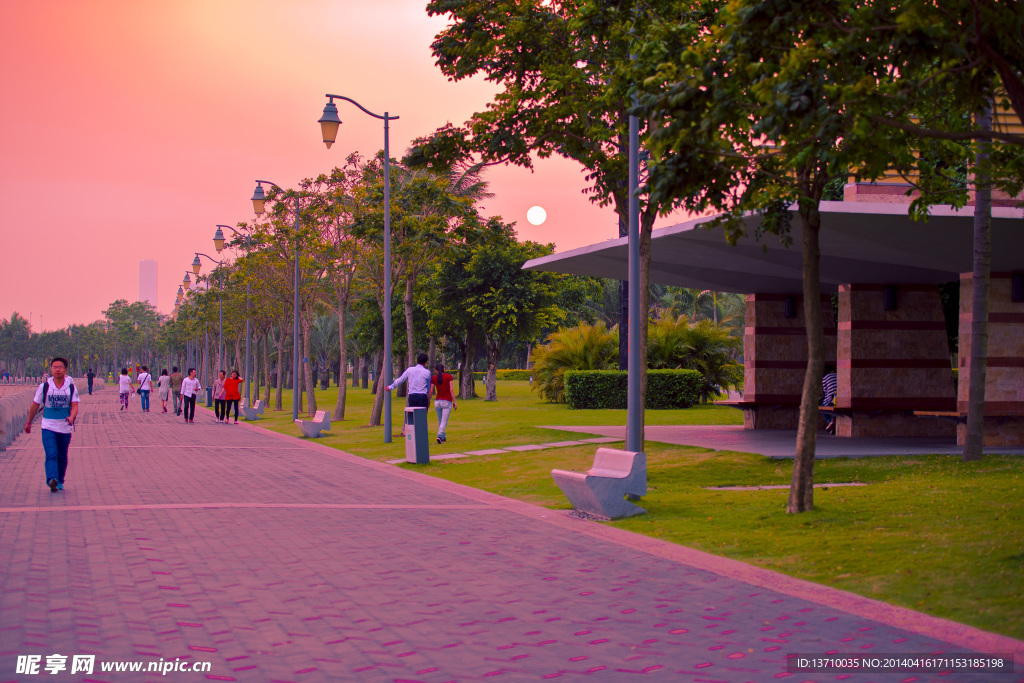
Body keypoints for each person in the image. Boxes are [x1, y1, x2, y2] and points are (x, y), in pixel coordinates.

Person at [24, 358, 79, 492]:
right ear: (51, 370)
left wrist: (71, 417)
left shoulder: (70, 387)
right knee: (51, 453)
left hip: (65, 427)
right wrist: (29, 422)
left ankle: (60, 480)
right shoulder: (45, 387)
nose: (57, 369)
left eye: (60, 367)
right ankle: (52, 479)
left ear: (65, 370)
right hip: (48, 426)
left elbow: (75, 405)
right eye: (54, 367)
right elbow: (35, 405)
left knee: (62, 456)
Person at [429, 363, 457, 445]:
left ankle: (443, 436)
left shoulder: (434, 378)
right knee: (444, 421)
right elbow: (451, 389)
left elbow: (431, 391)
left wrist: (428, 400)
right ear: (444, 369)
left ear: (436, 370)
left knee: (440, 420)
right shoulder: (449, 377)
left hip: (437, 401)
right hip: (446, 401)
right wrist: (454, 401)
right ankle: (440, 435)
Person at [822, 364, 838, 434]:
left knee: (823, 406)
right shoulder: (838, 375)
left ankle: (829, 422)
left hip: (831, 397)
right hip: (839, 398)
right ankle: (832, 421)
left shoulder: (825, 378)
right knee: (833, 407)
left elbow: (825, 391)